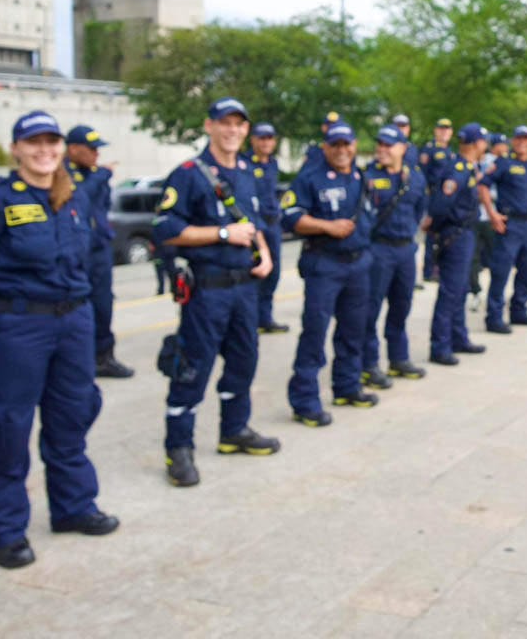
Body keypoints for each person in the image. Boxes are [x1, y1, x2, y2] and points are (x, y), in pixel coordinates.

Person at [0, 110, 119, 569]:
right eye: (34, 142)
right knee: (7, 428)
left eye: (52, 142)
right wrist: (16, 295)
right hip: (15, 327)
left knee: (72, 416)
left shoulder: (76, 196)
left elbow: (86, 258)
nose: (44, 150)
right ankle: (5, 531)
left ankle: (73, 507)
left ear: (62, 147)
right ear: (17, 149)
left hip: (73, 323)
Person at [153, 97, 279, 487]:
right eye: (225, 123)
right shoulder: (189, 174)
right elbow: (166, 229)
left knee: (244, 362)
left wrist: (266, 253)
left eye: (239, 124)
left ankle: (234, 430)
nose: (233, 130)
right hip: (207, 290)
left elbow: (253, 221)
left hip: (244, 290)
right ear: (209, 126)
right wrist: (222, 234)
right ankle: (179, 448)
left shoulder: (247, 171)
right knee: (192, 369)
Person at [281, 122, 379, 426]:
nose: (341, 150)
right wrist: (327, 226)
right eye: (334, 144)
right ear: (325, 147)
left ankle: (347, 387)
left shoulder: (362, 176)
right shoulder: (310, 177)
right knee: (315, 333)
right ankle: (304, 400)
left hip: (358, 263)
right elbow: (290, 216)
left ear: (353, 145)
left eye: (346, 144)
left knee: (354, 330)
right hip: (325, 264)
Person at [361, 125, 428, 389]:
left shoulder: (415, 178)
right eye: (380, 144)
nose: (382, 149)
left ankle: (398, 358)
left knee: (402, 305)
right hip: (379, 249)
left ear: (403, 148)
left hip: (406, 250)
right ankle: (368, 364)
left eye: (389, 145)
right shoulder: (367, 176)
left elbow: (420, 209)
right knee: (371, 308)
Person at [64, 125, 134, 378]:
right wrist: (102, 175)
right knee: (76, 307)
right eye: (91, 149)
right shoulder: (64, 172)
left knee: (103, 304)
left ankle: (104, 357)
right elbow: (78, 196)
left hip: (99, 249)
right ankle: (78, 360)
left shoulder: (94, 174)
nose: (96, 154)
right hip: (77, 251)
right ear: (73, 149)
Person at [479, 125, 527, 333]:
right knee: (501, 270)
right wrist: (491, 213)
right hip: (509, 224)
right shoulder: (503, 163)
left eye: (526, 139)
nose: (522, 142)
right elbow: (483, 185)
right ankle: (494, 316)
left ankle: (519, 310)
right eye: (518, 138)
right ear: (513, 141)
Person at [427, 123, 489, 365]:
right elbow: (441, 205)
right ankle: (440, 346)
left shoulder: (468, 167)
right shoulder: (459, 169)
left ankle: (458, 337)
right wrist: (442, 232)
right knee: (451, 290)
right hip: (456, 235)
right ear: (476, 144)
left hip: (465, 232)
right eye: (483, 142)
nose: (486, 146)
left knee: (461, 288)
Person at [242, 121, 289, 333]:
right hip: (254, 226)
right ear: (253, 140)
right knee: (255, 271)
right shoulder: (244, 163)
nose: (266, 142)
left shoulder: (273, 164)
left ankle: (265, 317)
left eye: (270, 138)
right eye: (262, 138)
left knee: (274, 272)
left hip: (273, 224)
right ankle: (250, 319)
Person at [468, 132, 507, 310]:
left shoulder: (496, 163)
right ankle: (476, 292)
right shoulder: (468, 162)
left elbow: (496, 189)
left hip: (492, 216)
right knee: (473, 258)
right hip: (474, 217)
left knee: (496, 258)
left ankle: (497, 294)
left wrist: (485, 195)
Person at [418, 118, 455, 282]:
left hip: (446, 198)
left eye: (447, 129)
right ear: (436, 130)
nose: (444, 131)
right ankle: (428, 270)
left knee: (443, 233)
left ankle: (438, 267)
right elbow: (422, 176)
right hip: (432, 194)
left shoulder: (451, 152)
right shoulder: (429, 149)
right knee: (431, 232)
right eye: (441, 128)